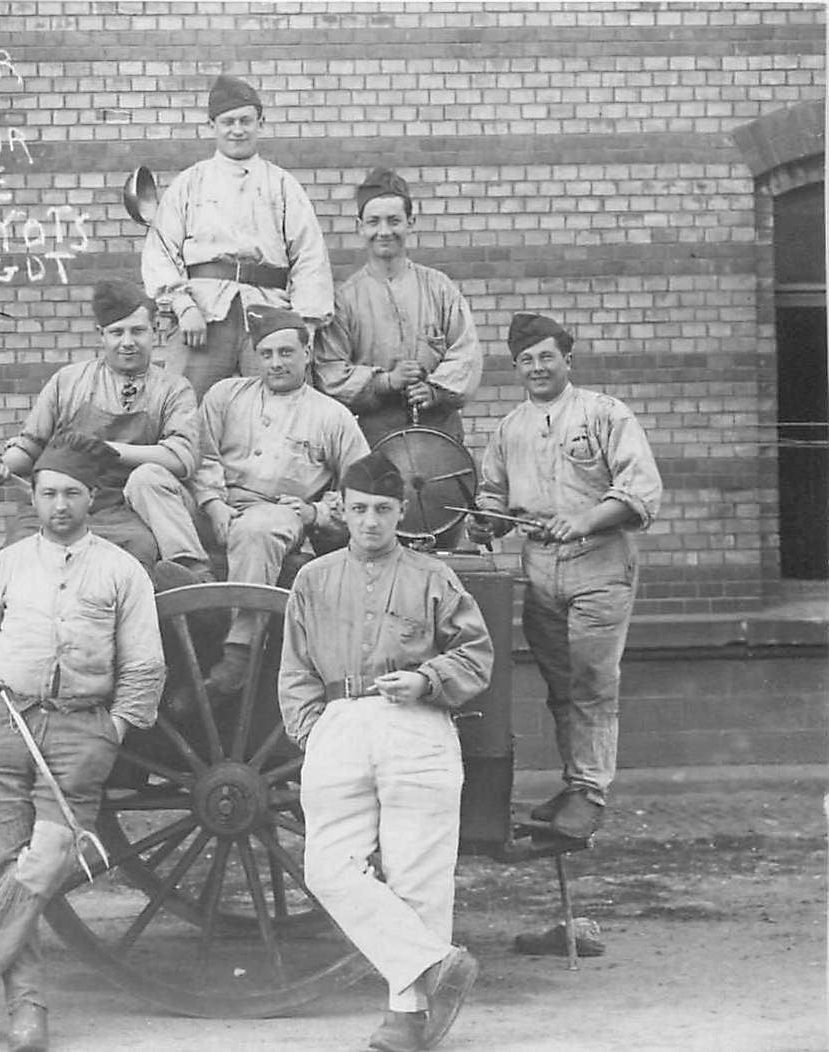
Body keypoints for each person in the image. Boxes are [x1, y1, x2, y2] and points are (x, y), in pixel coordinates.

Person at [0, 431, 165, 1052]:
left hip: (78, 730)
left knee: (51, 856)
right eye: (46, 493)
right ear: (33, 498)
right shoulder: (7, 565)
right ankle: (26, 1009)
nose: (58, 505)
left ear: (92, 498)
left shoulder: (122, 570)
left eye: (70, 493)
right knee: (3, 869)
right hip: (1, 721)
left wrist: (111, 730)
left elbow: (144, 667)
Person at [279, 450, 493, 1052]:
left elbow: (475, 655)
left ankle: (407, 1017)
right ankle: (433, 963)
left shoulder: (433, 576)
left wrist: (426, 680)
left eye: (383, 509)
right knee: (327, 867)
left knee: (417, 873)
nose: (370, 522)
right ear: (341, 511)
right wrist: (314, 730)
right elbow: (295, 668)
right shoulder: (313, 580)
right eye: (359, 509)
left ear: (401, 512)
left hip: (417, 724)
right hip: (341, 721)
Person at [469, 312, 662, 840]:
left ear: (567, 360)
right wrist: (486, 518)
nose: (537, 367)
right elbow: (493, 492)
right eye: (526, 360)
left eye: (546, 356)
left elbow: (641, 491)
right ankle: (576, 786)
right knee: (561, 686)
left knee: (592, 684)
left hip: (600, 565)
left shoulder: (605, 414)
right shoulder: (510, 428)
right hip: (539, 572)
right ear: (516, 367)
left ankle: (591, 794)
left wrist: (581, 520)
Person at [0, 278, 212, 579]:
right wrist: (1, 465)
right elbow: (30, 446)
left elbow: (181, 460)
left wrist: (111, 451)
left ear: (155, 331)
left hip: (126, 510)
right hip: (62, 504)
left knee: (136, 554)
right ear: (101, 335)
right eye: (117, 332)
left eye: (138, 331)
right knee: (18, 558)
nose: (128, 342)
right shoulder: (68, 381)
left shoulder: (173, 389)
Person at [191, 304, 370, 695]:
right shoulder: (225, 395)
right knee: (149, 481)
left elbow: (363, 488)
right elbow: (200, 457)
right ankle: (187, 576)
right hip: (216, 507)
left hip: (276, 514)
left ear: (307, 354)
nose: (275, 363)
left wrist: (317, 511)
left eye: (286, 353)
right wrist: (212, 503)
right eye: (266, 354)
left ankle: (239, 653)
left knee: (258, 529)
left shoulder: (332, 416)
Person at [141, 74, 334, 402]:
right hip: (202, 315)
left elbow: (309, 257)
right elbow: (160, 251)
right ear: (211, 125)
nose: (237, 130)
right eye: (228, 122)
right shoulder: (189, 184)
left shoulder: (283, 186)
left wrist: (303, 326)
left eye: (246, 121)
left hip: (268, 315)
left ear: (261, 123)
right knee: (185, 410)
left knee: (278, 408)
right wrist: (183, 305)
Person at [316, 168, 484, 452]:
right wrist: (385, 382)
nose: (384, 231)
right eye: (373, 222)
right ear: (360, 226)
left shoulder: (439, 288)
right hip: (372, 435)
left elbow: (467, 353)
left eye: (394, 221)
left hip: (438, 429)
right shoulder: (344, 300)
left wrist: (434, 389)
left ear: (410, 223)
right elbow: (329, 372)